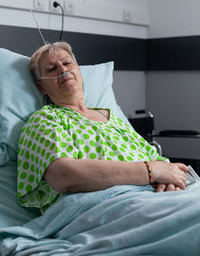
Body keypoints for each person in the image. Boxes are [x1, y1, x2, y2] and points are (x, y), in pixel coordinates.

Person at [17, 41, 188, 213]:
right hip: (105, 205)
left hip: (156, 196)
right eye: (51, 69)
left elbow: (159, 162)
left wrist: (169, 179)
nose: (62, 69)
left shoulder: (113, 119)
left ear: (79, 71)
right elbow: (64, 176)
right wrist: (150, 171)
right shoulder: (45, 119)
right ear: (41, 87)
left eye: (67, 62)